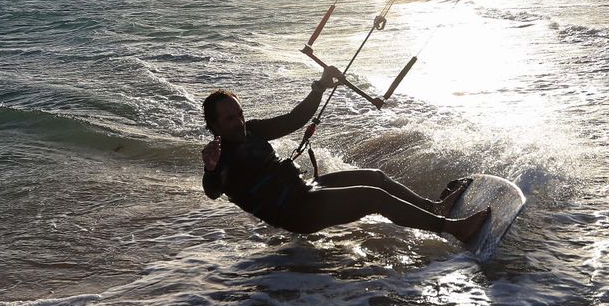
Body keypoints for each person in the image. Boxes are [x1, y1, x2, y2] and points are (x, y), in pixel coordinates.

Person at [201, 68, 490, 243]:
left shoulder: (252, 130)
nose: (238, 121)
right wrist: (211, 169)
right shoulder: (220, 158)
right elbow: (212, 191)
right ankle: (453, 229)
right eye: (229, 119)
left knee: (374, 178)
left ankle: (434, 208)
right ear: (213, 125)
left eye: (239, 113)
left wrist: (319, 86)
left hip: (303, 192)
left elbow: (295, 118)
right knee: (373, 198)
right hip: (296, 213)